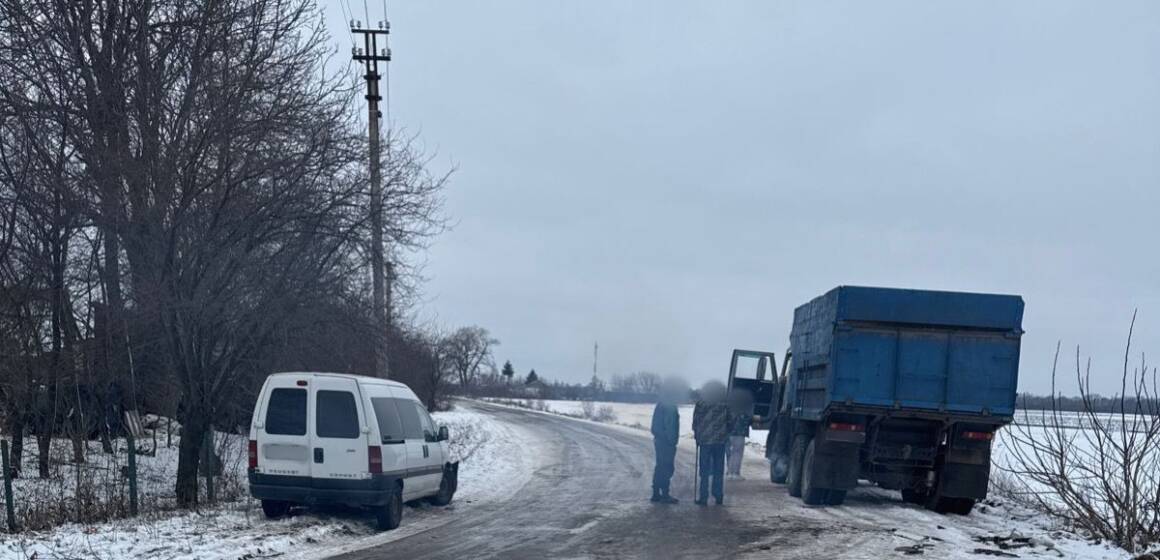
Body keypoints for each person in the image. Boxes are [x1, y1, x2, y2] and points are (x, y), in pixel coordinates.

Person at [692, 381, 730, 505]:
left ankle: (703, 497)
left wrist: (697, 436)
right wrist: (726, 433)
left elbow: (695, 422)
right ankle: (718, 496)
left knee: (704, 470)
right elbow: (731, 421)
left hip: (705, 441)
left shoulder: (701, 404)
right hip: (720, 441)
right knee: (718, 470)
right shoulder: (725, 404)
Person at [649, 389, 680, 504]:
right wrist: (671, 441)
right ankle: (664, 494)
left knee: (660, 466)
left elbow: (654, 427)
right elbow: (670, 427)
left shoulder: (660, 405)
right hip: (666, 442)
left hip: (660, 440)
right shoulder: (669, 407)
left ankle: (656, 493)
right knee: (666, 467)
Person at [726, 393, 752, 479]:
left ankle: (729, 472)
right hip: (739, 435)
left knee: (732, 453)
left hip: (730, 434)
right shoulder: (744, 412)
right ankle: (736, 473)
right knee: (738, 454)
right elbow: (749, 421)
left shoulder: (731, 410)